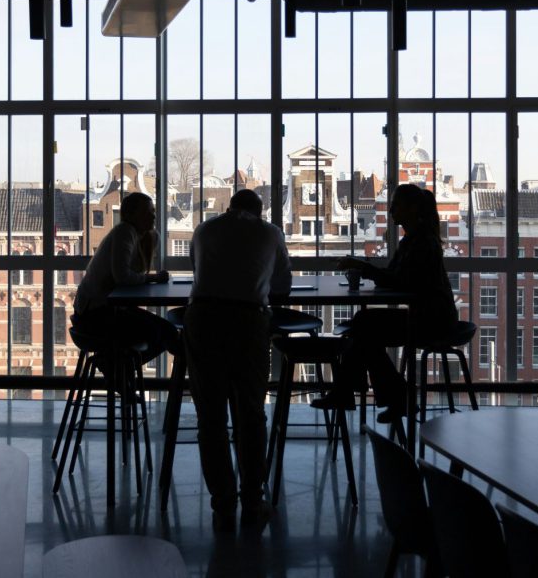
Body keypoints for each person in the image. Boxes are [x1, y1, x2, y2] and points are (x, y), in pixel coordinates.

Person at [185, 188, 292, 533]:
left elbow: (197, 269)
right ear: (259, 212)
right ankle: (251, 500)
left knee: (210, 417)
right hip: (247, 322)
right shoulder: (271, 233)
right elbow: (282, 287)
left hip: (202, 319)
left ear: (229, 207)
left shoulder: (204, 229)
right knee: (250, 414)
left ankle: (223, 503)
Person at [313, 183, 459, 423]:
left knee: (364, 326)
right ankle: (384, 395)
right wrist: (369, 270)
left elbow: (401, 282)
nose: (391, 210)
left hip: (431, 320)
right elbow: (398, 279)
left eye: (396, 205)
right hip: (431, 315)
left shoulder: (420, 243)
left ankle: (357, 393)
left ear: (411, 209)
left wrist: (363, 268)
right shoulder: (414, 240)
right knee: (364, 328)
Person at [73, 192, 177, 356]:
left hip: (97, 310)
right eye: (147, 212)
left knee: (164, 332)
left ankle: (119, 367)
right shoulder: (124, 232)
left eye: (153, 211)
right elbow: (123, 277)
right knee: (165, 333)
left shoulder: (140, 235)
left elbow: (126, 277)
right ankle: (117, 366)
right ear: (130, 215)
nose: (153, 216)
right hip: (96, 314)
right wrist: (154, 278)